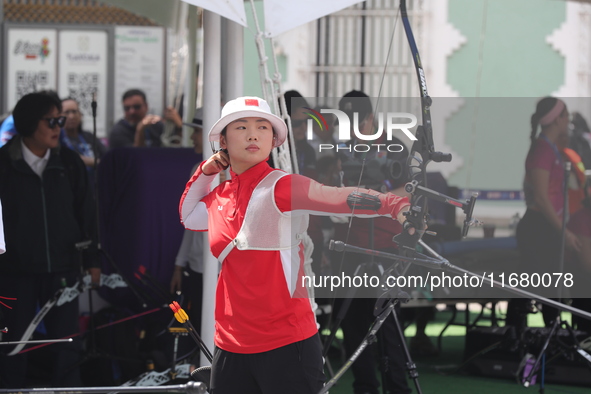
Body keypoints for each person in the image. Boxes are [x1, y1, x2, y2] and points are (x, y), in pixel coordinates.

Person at [179, 96, 412, 394]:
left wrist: (395, 205)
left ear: (273, 139)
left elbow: (337, 197)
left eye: (262, 127)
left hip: (287, 342)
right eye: (241, 127)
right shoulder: (219, 196)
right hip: (230, 344)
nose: (253, 134)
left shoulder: (282, 185)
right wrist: (207, 171)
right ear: (222, 140)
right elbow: (188, 216)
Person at [0, 92, 100, 388]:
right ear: (30, 123)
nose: (60, 126)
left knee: (67, 344)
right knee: (12, 343)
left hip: (63, 270)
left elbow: (87, 214)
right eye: (52, 120)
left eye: (62, 119)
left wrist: (93, 260)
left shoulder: (69, 163)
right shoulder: (4, 164)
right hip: (14, 273)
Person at [330, 90, 414, 394]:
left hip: (386, 246)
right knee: (351, 320)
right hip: (350, 245)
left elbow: (411, 190)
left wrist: (380, 192)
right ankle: (365, 387)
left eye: (356, 122)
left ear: (370, 118)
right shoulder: (342, 147)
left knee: (387, 322)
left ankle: (397, 388)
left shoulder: (394, 146)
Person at [509, 97, 582, 329]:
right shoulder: (542, 149)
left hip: (544, 226)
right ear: (558, 119)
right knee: (533, 286)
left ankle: (548, 339)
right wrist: (564, 231)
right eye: (567, 116)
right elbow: (540, 197)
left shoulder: (549, 149)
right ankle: (519, 338)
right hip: (539, 227)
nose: (568, 121)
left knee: (545, 285)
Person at [170, 112, 205, 371]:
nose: (192, 135)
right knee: (196, 331)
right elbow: (190, 223)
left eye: (196, 130)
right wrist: (180, 264)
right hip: (197, 270)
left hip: (222, 272)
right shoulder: (199, 170)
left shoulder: (236, 170)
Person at [60, 98, 107, 170]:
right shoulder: (58, 140)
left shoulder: (88, 136)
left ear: (80, 114)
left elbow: (107, 156)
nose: (71, 116)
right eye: (67, 112)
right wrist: (96, 162)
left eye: (74, 111)